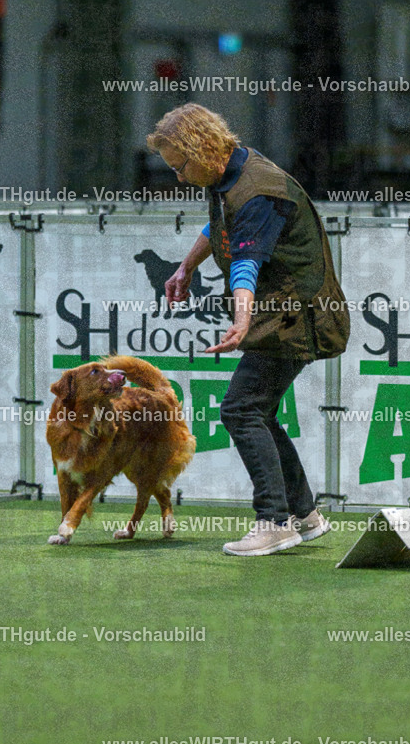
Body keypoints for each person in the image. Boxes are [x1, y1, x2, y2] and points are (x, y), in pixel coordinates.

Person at [146, 103, 350, 557]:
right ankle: (304, 514)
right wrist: (185, 266)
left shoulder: (259, 191)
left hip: (296, 317)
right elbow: (218, 225)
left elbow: (246, 262)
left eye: (179, 166)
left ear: (200, 149)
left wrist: (241, 321)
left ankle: (274, 522)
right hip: (283, 312)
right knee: (257, 410)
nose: (178, 178)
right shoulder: (231, 175)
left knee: (241, 410)